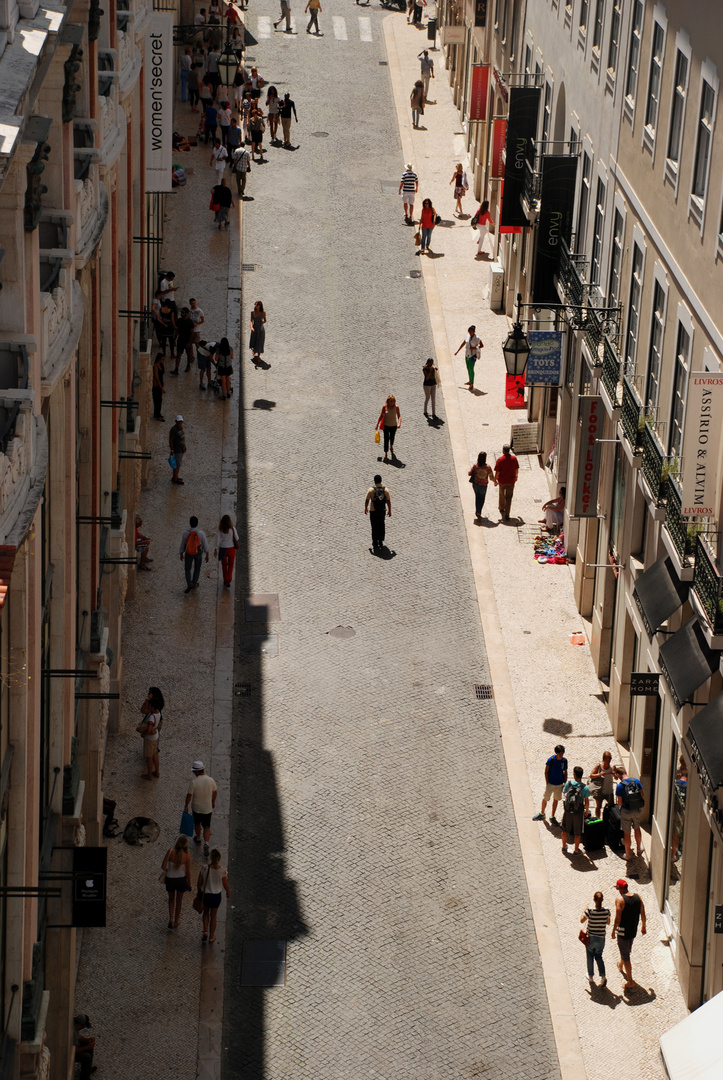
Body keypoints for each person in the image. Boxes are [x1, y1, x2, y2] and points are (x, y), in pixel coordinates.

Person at [612, 879, 646, 989]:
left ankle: (630, 982)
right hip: (633, 931)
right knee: (626, 951)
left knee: (626, 955)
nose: (618, 891)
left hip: (623, 932)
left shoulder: (620, 900)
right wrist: (643, 926)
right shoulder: (638, 897)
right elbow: (643, 912)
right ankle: (620, 964)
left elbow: (617, 918)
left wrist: (613, 931)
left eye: (618, 888)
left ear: (621, 888)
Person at [185, 761, 218, 856]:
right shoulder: (211, 780)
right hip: (207, 809)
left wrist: (186, 806)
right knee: (207, 826)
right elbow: (215, 792)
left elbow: (189, 796)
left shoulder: (194, 782)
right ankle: (206, 843)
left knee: (197, 823)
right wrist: (213, 801)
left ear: (197, 771)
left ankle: (198, 838)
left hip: (197, 808)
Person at [198, 848, 230, 942]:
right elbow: (225, 884)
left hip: (206, 895)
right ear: (219, 858)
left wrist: (199, 892)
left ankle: (205, 932)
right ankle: (212, 936)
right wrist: (228, 891)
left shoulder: (204, 868)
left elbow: (199, 883)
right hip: (216, 896)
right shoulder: (222, 871)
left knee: (206, 913)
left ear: (211, 857)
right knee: (214, 916)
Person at [162, 835, 192, 929]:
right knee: (179, 901)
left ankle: (170, 918)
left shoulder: (170, 852)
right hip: (181, 880)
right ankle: (176, 920)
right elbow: (188, 872)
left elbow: (163, 866)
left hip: (170, 879)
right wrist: (190, 884)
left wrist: (168, 870)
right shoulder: (187, 856)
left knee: (171, 900)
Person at [581, 891, 610, 987]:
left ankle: (591, 976)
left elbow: (582, 920)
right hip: (601, 938)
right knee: (598, 956)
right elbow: (608, 922)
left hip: (591, 938)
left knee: (590, 956)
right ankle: (603, 976)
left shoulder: (590, 911)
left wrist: (584, 910)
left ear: (594, 900)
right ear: (603, 900)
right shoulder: (607, 911)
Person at [533, 744, 568, 824]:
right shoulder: (551, 760)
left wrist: (565, 782)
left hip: (559, 784)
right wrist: (547, 782)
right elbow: (546, 771)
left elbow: (565, 772)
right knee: (545, 798)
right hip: (551, 783)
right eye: (560, 753)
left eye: (562, 753)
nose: (561, 755)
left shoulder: (564, 761)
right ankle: (542, 813)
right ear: (556, 753)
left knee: (556, 800)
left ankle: (552, 816)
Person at [561, 765, 590, 855]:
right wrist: (586, 811)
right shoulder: (584, 788)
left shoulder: (568, 784)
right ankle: (576, 850)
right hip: (578, 812)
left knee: (565, 829)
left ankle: (564, 846)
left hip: (568, 811)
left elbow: (564, 793)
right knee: (578, 832)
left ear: (574, 774)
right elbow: (586, 801)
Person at [616, 772, 645, 859]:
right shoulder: (636, 781)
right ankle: (639, 849)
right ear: (625, 773)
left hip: (626, 811)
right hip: (637, 809)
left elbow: (619, 803)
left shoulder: (620, 786)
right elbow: (642, 794)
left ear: (618, 775)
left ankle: (628, 855)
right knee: (637, 828)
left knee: (627, 834)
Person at [179, 516, 210, 594]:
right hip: (198, 552)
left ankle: (189, 584)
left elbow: (183, 544)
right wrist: (207, 554)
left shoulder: (186, 533)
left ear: (190, 523)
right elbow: (205, 544)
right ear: (197, 523)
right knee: (197, 568)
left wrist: (181, 553)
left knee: (187, 569)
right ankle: (194, 583)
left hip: (188, 553)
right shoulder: (201, 533)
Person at [589, 750, 624, 818]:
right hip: (599, 790)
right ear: (603, 759)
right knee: (598, 806)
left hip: (609, 791)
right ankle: (598, 819)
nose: (608, 762)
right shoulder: (599, 766)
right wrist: (599, 774)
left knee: (611, 806)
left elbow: (617, 778)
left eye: (609, 760)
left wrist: (614, 774)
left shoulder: (612, 767)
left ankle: (608, 819)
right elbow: (591, 775)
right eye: (606, 760)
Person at [364, 474, 391, 554]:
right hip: (382, 510)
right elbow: (388, 501)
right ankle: (381, 541)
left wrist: (366, 508)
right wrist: (389, 510)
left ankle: (375, 542)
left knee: (374, 526)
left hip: (373, 511)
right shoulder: (386, 490)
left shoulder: (371, 490)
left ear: (374, 481)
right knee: (381, 525)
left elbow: (367, 500)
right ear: (381, 481)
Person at [468, 451, 496, 519]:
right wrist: (495, 482)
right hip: (483, 485)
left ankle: (477, 510)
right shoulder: (488, 467)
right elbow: (491, 477)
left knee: (477, 497)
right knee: (482, 498)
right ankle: (479, 511)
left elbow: (469, 473)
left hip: (475, 484)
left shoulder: (475, 466)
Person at [494, 443, 519, 520]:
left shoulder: (500, 460)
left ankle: (501, 508)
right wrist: (516, 477)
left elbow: (497, 472)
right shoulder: (514, 459)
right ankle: (507, 513)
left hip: (502, 481)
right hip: (511, 481)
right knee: (509, 497)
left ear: (503, 451)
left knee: (501, 495)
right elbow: (516, 470)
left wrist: (495, 480)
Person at [454, 324, 483, 389]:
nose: (470, 333)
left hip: (473, 355)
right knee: (468, 368)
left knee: (471, 369)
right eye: (469, 332)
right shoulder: (467, 336)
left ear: (474, 332)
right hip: (467, 354)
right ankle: (470, 380)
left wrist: (475, 348)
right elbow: (463, 343)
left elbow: (482, 345)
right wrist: (457, 351)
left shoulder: (477, 338)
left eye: (471, 332)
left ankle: (472, 383)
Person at [138, 700, 160, 780]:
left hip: (150, 739)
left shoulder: (151, 717)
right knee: (155, 755)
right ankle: (157, 772)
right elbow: (143, 710)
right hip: (155, 736)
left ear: (152, 707)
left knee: (149, 757)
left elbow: (149, 729)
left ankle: (149, 775)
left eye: (150, 705)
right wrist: (145, 703)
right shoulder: (158, 713)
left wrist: (144, 734)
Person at [215, 513, 239, 587]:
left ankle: (225, 580)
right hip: (231, 549)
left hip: (223, 549)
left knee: (224, 565)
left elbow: (217, 541)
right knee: (231, 565)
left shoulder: (220, 529)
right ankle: (229, 579)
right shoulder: (232, 529)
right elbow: (237, 538)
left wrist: (215, 549)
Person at [376, 394, 401, 462]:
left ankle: (391, 445)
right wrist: (377, 424)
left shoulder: (396, 407)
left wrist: (399, 423)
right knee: (386, 439)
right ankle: (386, 454)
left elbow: (399, 416)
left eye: (393, 401)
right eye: (390, 401)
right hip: (386, 426)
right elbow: (381, 416)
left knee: (392, 438)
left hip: (393, 426)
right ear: (388, 401)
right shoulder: (385, 407)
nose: (392, 403)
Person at [73, 1014, 96, 1080]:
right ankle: (84, 1078)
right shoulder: (73, 1032)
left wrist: (87, 1040)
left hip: (75, 1047)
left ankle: (87, 1071)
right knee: (87, 1057)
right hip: (69, 1055)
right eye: (83, 1026)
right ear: (80, 1025)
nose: (83, 1028)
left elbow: (79, 1038)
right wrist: (87, 1047)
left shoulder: (75, 1026)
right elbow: (73, 1050)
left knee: (90, 1048)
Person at [175, 307, 195, 373]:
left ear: (186, 313)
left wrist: (189, 342)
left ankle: (188, 366)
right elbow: (177, 330)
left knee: (188, 354)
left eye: (183, 312)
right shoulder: (179, 320)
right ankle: (176, 368)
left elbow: (192, 332)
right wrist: (174, 339)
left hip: (187, 340)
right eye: (181, 312)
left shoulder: (190, 322)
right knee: (178, 354)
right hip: (180, 340)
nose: (181, 313)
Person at [169, 415, 186, 484]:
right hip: (177, 449)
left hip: (181, 449)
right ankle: (175, 479)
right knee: (177, 465)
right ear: (176, 421)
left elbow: (182, 438)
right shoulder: (174, 430)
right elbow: (171, 440)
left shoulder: (180, 428)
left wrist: (184, 446)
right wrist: (172, 450)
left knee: (176, 464)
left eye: (181, 422)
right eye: (179, 422)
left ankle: (175, 477)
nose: (180, 423)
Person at [151, 352, 165, 421]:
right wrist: (161, 388)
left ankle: (158, 413)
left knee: (160, 400)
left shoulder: (161, 365)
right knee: (157, 400)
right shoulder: (155, 367)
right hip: (157, 386)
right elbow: (157, 378)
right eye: (162, 359)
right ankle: (156, 414)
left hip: (161, 384)